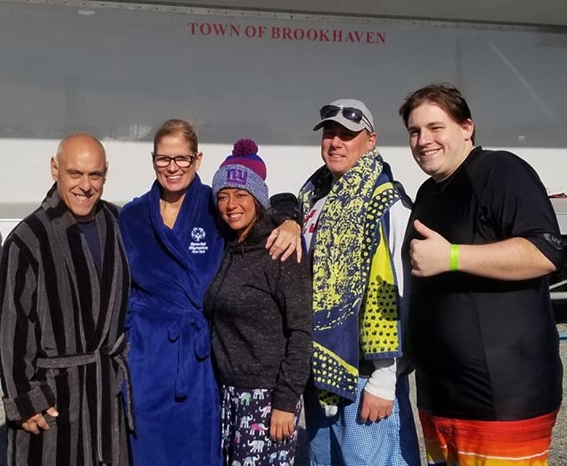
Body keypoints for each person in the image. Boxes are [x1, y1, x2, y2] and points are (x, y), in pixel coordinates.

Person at [119, 119, 302, 466]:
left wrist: (291, 219)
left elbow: (262, 204)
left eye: (182, 159)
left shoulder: (214, 205)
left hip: (200, 361)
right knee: (148, 451)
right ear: (153, 159)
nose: (172, 168)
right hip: (147, 355)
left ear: (198, 159)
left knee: (197, 450)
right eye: (163, 159)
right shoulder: (131, 216)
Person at [399, 84, 564, 466]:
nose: (424, 140)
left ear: (467, 127)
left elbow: (546, 250)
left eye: (435, 127)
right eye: (414, 131)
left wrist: (453, 256)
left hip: (501, 399)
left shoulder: (500, 171)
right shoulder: (428, 192)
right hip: (440, 397)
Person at [299, 99, 421, 466]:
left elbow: (398, 296)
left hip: (365, 378)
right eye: (329, 134)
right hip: (320, 372)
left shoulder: (387, 202)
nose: (335, 143)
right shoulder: (313, 197)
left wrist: (384, 382)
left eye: (347, 135)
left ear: (370, 141)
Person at [0, 134, 132, 466]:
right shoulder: (28, 239)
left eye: (95, 175)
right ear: (55, 169)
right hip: (55, 399)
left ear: (106, 174)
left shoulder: (118, 224)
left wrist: (283, 220)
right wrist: (24, 401)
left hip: (107, 394)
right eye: (75, 173)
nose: (85, 185)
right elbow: (13, 327)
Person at [203, 139, 312, 466]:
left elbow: (302, 332)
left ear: (257, 199)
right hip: (228, 395)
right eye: (222, 196)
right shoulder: (226, 247)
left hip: (266, 399)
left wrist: (285, 402)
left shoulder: (280, 251)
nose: (231, 204)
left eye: (241, 195)